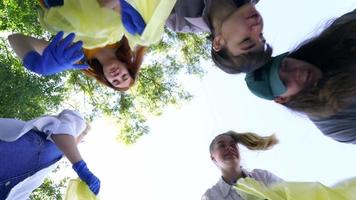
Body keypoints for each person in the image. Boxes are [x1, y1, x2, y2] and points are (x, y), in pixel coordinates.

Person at [244, 9, 356, 143]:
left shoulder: (336, 35)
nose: (297, 73)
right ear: (282, 99)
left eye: (286, 65)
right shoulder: (334, 124)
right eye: (284, 82)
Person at [0, 109, 100, 199]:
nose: (78, 144)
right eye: (82, 139)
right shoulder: (69, 125)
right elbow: (63, 129)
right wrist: (81, 167)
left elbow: (19, 194)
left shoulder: (48, 167)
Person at [167, 0, 271, 74]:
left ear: (218, 43)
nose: (258, 27)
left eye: (246, 40)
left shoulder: (177, 18)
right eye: (261, 36)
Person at [202, 131, 282, 200]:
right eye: (222, 145)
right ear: (213, 158)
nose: (229, 148)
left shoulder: (263, 176)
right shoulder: (211, 196)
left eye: (233, 145)